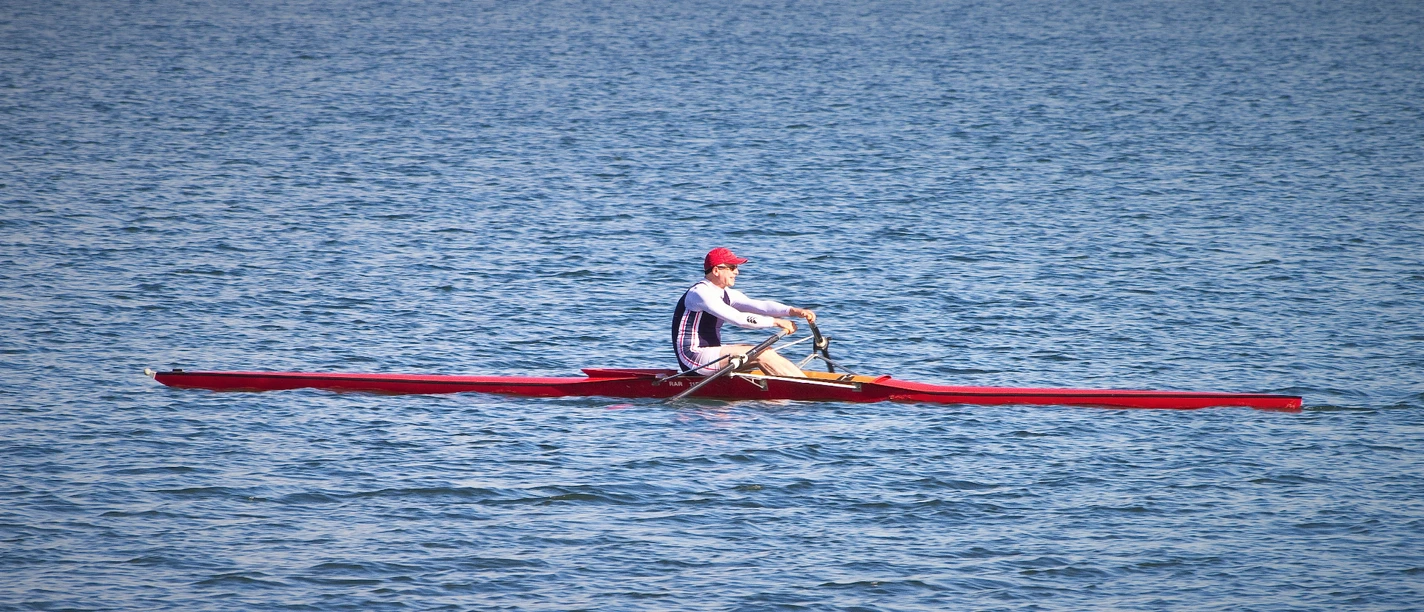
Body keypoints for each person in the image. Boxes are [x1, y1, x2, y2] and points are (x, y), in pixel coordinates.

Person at [671, 247, 816, 377]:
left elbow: (760, 306)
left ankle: (800, 386)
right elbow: (738, 319)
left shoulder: (726, 293)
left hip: (710, 353)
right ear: (716, 270)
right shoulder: (700, 293)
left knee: (767, 351)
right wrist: (776, 322)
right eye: (732, 267)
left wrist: (792, 311)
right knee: (762, 354)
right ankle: (808, 389)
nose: (737, 272)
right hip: (693, 357)